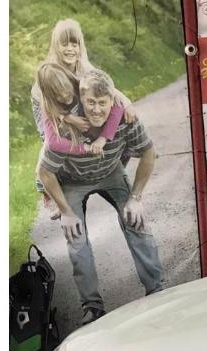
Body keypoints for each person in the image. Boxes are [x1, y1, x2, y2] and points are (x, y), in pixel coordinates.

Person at [38, 69, 163, 325]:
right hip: (72, 180)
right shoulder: (66, 125)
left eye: (102, 103)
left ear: (112, 101)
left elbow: (149, 153)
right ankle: (92, 306)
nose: (96, 110)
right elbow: (45, 172)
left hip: (110, 173)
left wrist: (136, 197)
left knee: (136, 220)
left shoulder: (125, 117)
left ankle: (156, 289)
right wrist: (66, 212)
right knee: (75, 236)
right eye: (90, 103)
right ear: (81, 99)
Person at [30, 19, 134, 219]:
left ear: (80, 46)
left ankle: (112, 169)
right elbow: (47, 106)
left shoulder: (84, 67)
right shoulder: (50, 72)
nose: (70, 49)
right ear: (56, 46)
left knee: (109, 128)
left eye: (74, 44)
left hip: (70, 104)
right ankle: (48, 192)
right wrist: (68, 118)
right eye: (64, 44)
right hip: (48, 108)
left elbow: (107, 88)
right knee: (51, 143)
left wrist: (127, 103)